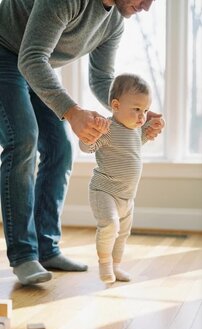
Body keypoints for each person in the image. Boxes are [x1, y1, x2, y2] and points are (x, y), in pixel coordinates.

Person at [0, 0, 164, 285]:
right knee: (23, 139)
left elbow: (102, 80)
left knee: (60, 150)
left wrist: (136, 113)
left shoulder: (114, 21)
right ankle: (24, 254)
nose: (147, 6)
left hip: (38, 63)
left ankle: (47, 248)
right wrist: (73, 113)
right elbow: (31, 57)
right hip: (7, 52)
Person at [80, 73, 164, 283]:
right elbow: (86, 147)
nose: (142, 116)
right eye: (137, 109)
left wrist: (152, 127)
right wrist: (90, 134)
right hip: (104, 190)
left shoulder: (135, 130)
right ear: (116, 105)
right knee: (109, 225)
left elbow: (141, 139)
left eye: (145, 110)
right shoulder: (107, 129)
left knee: (123, 234)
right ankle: (104, 264)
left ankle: (116, 266)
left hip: (127, 197)